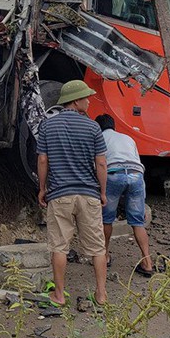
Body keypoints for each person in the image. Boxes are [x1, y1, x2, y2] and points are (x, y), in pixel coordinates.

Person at [37, 80, 108, 308]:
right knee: (97, 248)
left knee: (59, 246)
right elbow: (101, 164)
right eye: (86, 97)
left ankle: (58, 295)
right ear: (76, 101)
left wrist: (42, 188)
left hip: (59, 195)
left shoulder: (47, 126)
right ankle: (101, 295)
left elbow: (42, 159)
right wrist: (103, 192)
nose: (88, 101)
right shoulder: (93, 127)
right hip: (88, 194)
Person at [95, 114, 154, 277]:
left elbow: (99, 163)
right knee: (137, 222)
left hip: (114, 174)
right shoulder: (127, 138)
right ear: (113, 126)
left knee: (106, 219)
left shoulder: (98, 138)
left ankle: (105, 256)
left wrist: (100, 190)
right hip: (136, 174)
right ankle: (147, 262)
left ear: (98, 127)